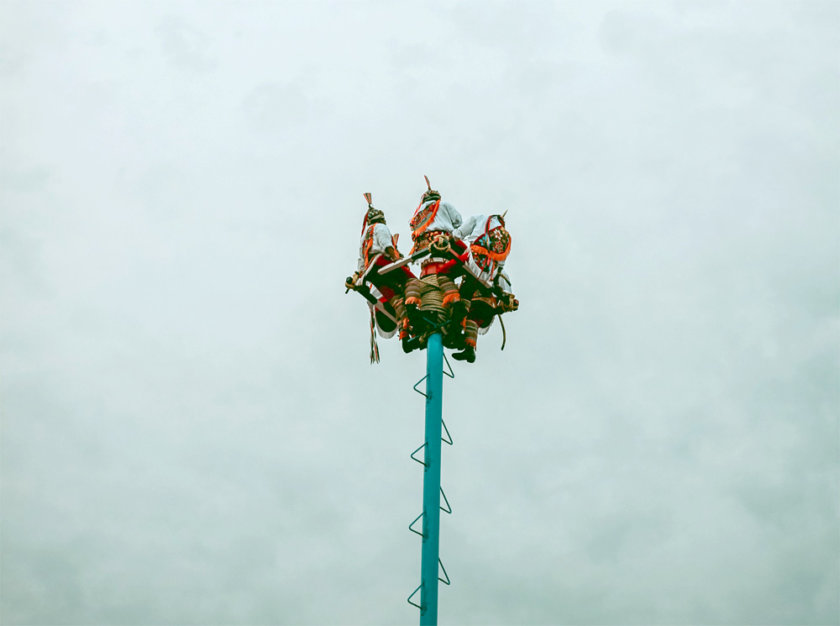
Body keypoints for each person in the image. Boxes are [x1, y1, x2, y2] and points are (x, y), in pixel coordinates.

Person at [345, 193, 415, 361]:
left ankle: (405, 335)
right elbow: (386, 244)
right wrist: (397, 258)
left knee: (394, 296)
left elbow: (361, 262)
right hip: (383, 263)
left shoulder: (363, 238)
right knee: (411, 280)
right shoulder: (380, 228)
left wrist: (357, 278)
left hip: (371, 274)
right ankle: (413, 305)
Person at [403, 176, 470, 333]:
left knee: (412, 283)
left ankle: (408, 316)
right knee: (468, 258)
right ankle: (455, 302)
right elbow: (458, 222)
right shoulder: (443, 205)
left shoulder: (418, 214)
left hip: (424, 253)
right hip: (443, 245)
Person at [451, 212, 518, 362]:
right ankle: (469, 348)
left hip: (474, 278)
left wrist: (454, 236)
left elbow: (461, 232)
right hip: (487, 306)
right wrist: (499, 307)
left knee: (458, 286)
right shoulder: (501, 266)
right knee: (473, 321)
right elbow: (501, 267)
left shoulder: (480, 218)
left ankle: (455, 329)